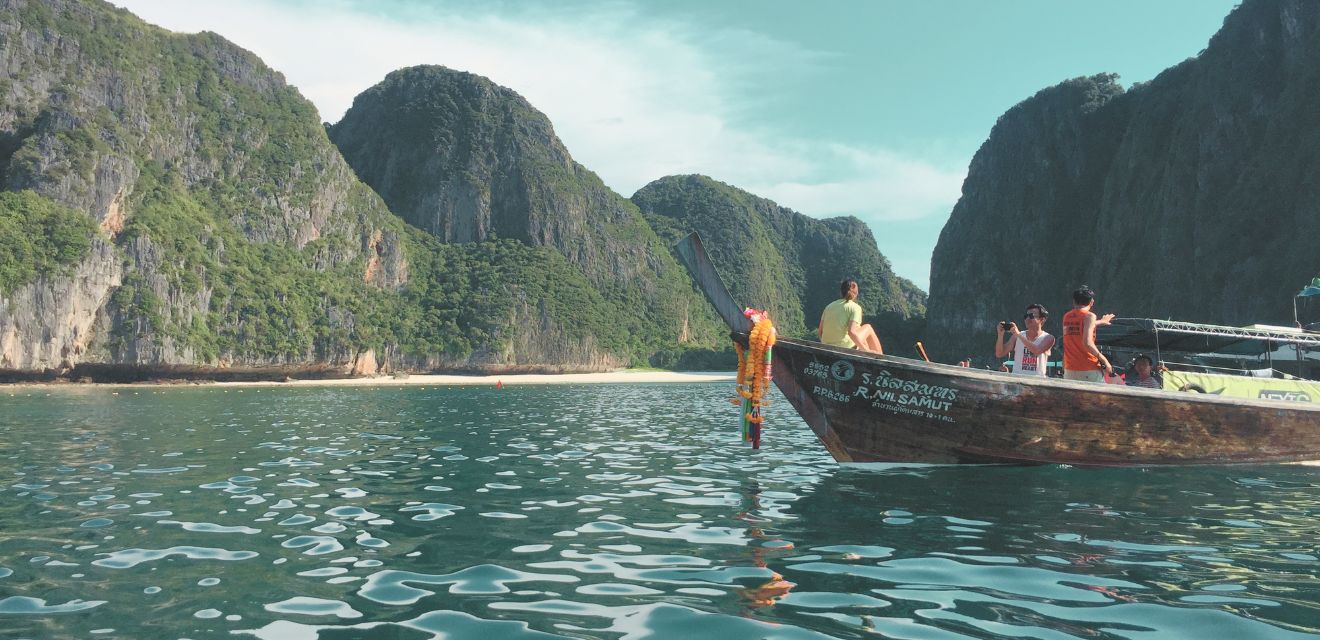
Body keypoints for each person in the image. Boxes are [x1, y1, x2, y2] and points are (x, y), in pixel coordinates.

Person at [1061, 285, 1114, 383]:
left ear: (1074, 301)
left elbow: (1080, 327)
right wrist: (1104, 361)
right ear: (1091, 302)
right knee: (1098, 398)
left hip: (1069, 368)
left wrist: (1101, 321)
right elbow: (1087, 343)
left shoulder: (1067, 316)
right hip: (1088, 368)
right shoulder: (1089, 316)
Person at [818, 279, 884, 354]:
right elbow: (851, 332)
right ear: (856, 293)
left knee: (858, 328)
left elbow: (820, 332)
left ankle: (869, 352)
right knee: (868, 327)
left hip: (826, 345)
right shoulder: (855, 308)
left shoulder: (829, 306)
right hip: (845, 347)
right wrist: (866, 350)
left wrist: (827, 343)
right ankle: (879, 356)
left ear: (841, 292)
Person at [994, 304, 1056, 378]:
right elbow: (999, 353)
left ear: (1042, 319)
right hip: (1017, 382)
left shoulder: (1048, 338)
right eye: (1026, 316)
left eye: (1031, 316)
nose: (1027, 319)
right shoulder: (1016, 336)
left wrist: (1018, 335)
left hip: (1038, 383)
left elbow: (1037, 350)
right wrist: (1000, 335)